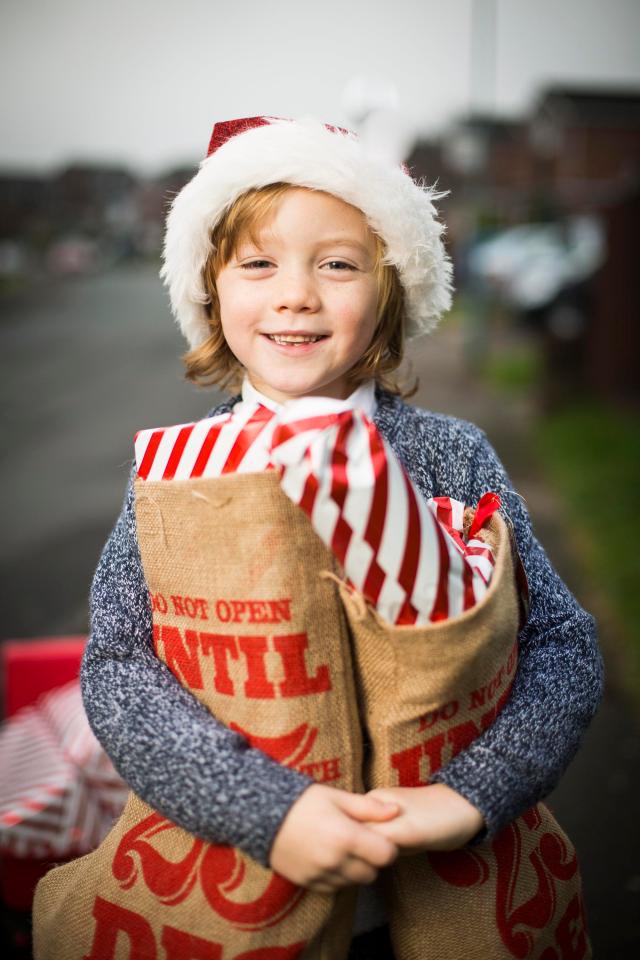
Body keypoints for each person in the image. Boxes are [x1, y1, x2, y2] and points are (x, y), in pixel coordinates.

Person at [81, 116, 603, 955]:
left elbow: (561, 643)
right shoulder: (178, 473)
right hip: (241, 896)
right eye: (258, 264)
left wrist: (473, 794)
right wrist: (265, 811)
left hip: (430, 901)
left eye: (337, 264)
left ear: (389, 292)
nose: (296, 294)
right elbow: (118, 665)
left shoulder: (450, 457)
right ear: (212, 291)